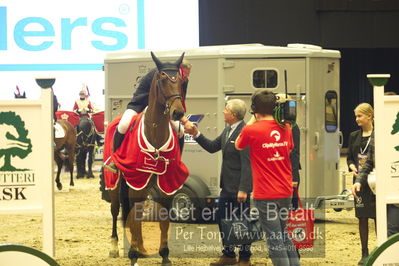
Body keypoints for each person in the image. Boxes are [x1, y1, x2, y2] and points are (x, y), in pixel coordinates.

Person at [235, 89, 300, 266]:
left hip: (266, 194)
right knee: (283, 234)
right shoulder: (286, 127)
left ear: (254, 109)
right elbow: (290, 149)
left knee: (274, 240)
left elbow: (238, 145)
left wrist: (252, 119)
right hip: (285, 191)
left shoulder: (251, 130)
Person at [185, 99, 252, 266]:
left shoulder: (245, 132)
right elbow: (212, 146)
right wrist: (197, 134)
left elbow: (247, 163)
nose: (223, 111)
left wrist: (243, 189)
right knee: (222, 220)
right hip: (226, 188)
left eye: (226, 109)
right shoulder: (228, 130)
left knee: (242, 223)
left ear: (234, 115)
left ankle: (245, 258)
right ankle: (228, 255)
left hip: (239, 190)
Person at [104, 59, 193, 172]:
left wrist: (181, 118)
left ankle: (177, 161)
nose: (186, 77)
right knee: (123, 125)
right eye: (186, 73)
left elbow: (179, 99)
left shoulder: (182, 80)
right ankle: (114, 161)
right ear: (180, 69)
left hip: (163, 108)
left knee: (180, 130)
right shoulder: (157, 74)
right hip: (140, 104)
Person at [347, 103, 376, 265]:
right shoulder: (353, 136)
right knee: (362, 217)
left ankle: (381, 248)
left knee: (378, 216)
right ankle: (364, 253)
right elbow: (350, 157)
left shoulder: (378, 134)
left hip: (375, 180)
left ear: (369, 116)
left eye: (359, 116)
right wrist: (351, 166)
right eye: (356, 116)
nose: (356, 119)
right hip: (359, 182)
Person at [276, 94, 301, 209]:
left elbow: (295, 152)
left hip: (289, 173)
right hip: (278, 172)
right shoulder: (277, 126)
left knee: (290, 209)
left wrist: (294, 177)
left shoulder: (293, 127)